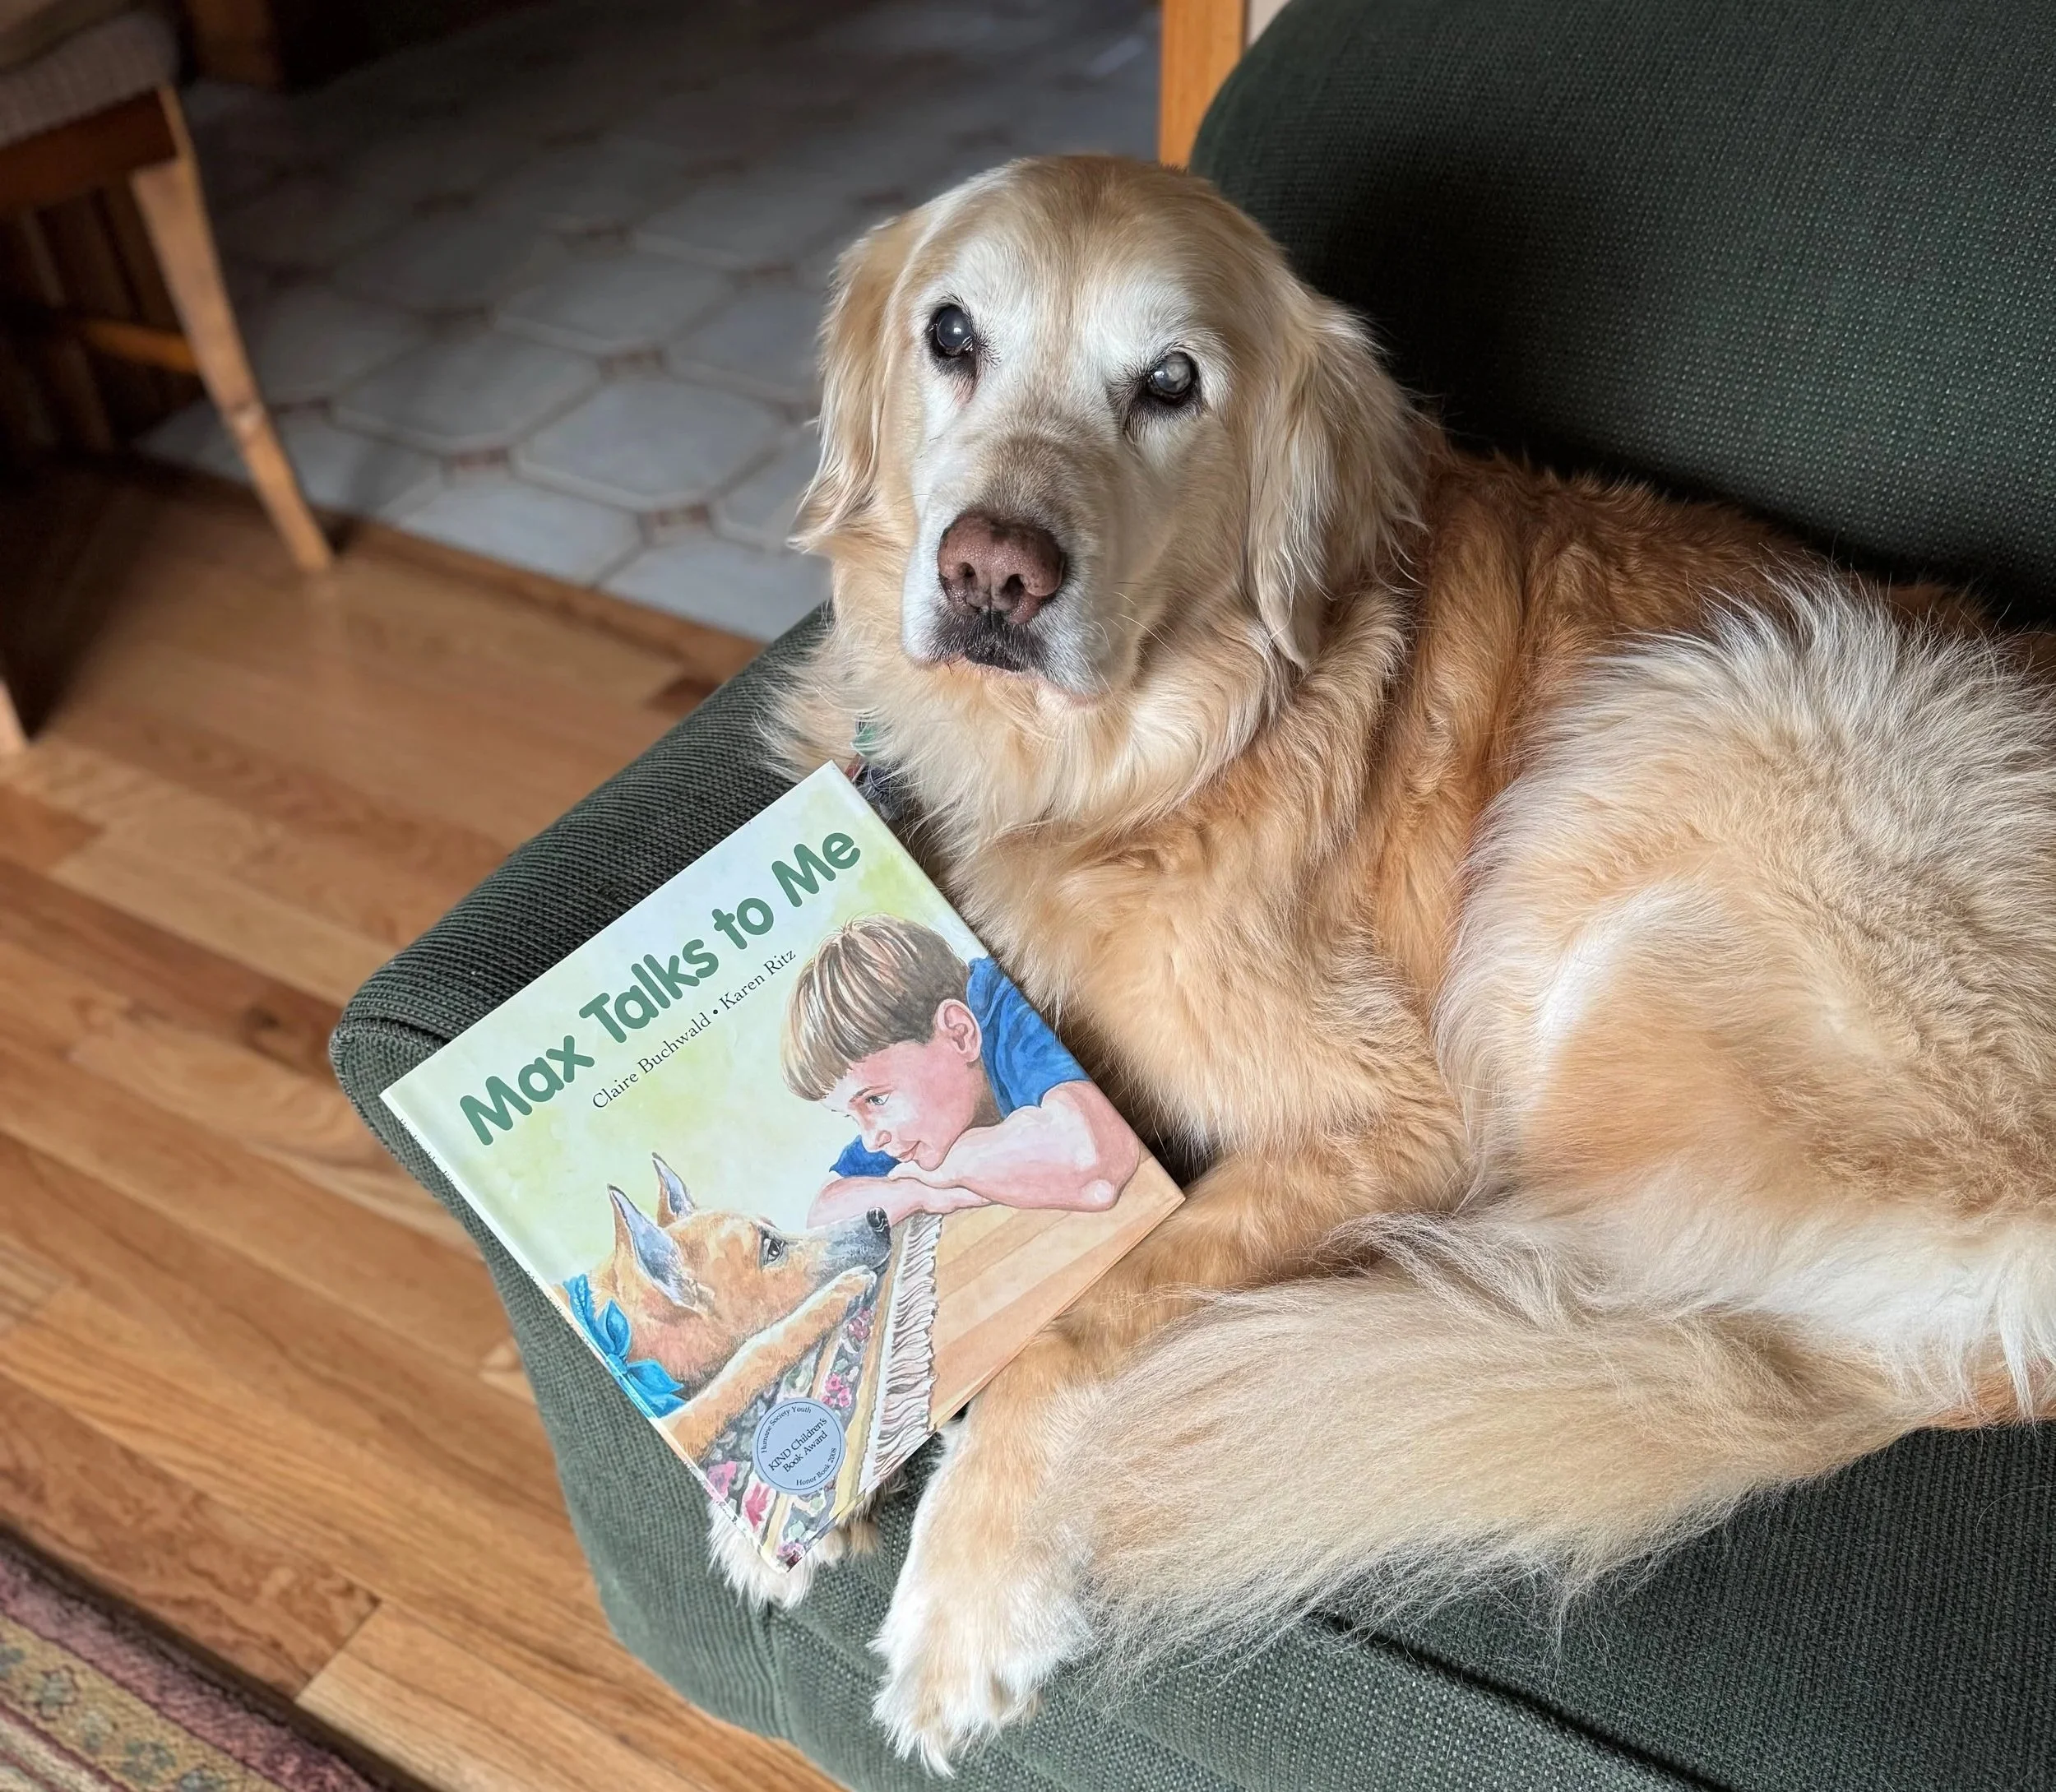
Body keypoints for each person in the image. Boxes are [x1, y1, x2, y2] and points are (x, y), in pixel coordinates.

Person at [781, 915, 1141, 1229]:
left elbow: (1093, 1162)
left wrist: (940, 1172)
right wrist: (917, 1192)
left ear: (959, 1033)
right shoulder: (906, 1130)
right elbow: (823, 1216)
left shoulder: (1010, 1005)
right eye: (850, 1115)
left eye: (875, 1099)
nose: (872, 1141)